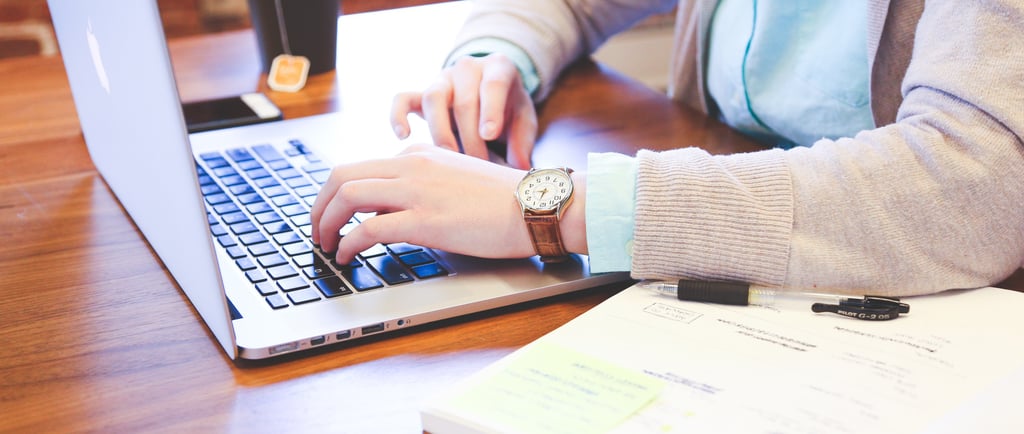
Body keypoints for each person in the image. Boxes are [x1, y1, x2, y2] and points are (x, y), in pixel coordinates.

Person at [311, 0, 1024, 296]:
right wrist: (494, 61)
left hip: (914, 301)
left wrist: (551, 207)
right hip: (733, 271)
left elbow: (976, 181)